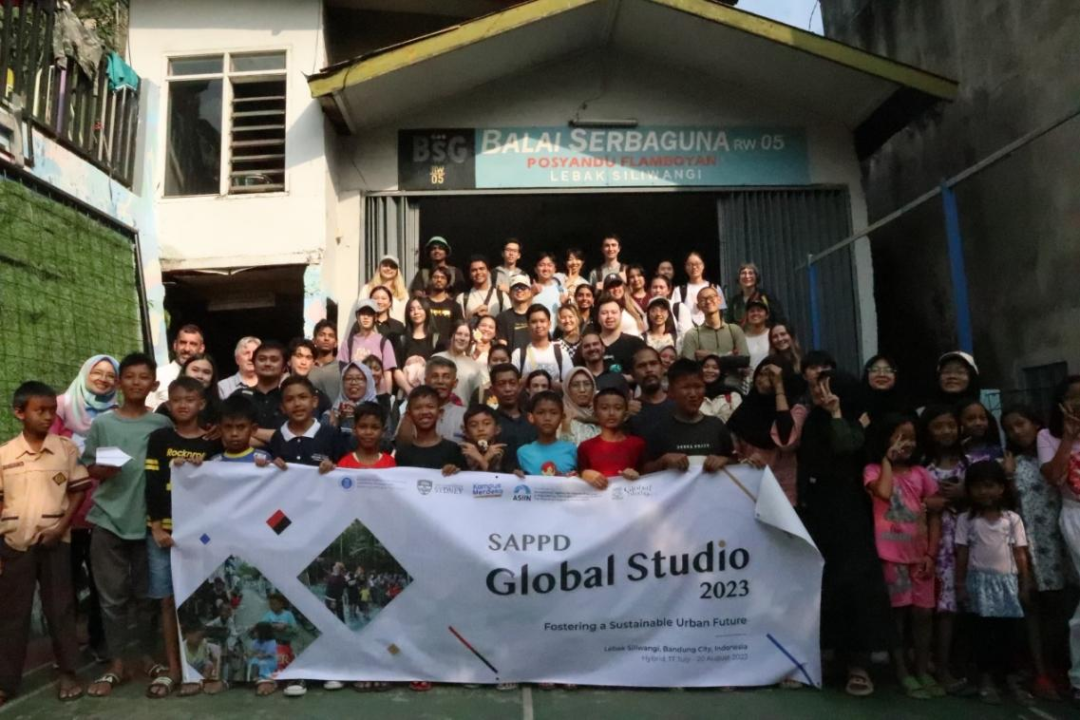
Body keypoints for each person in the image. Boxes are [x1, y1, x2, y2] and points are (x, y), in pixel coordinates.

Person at [82, 353, 173, 698]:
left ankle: (147, 656)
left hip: (150, 523)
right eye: (130, 377)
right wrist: (101, 471)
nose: (136, 383)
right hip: (108, 520)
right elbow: (89, 466)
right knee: (111, 598)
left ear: (154, 384)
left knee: (147, 596)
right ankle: (117, 662)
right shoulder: (103, 424)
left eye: (143, 377)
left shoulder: (162, 425)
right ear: (119, 383)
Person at [796, 371, 891, 697]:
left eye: (828, 387)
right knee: (821, 586)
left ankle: (858, 664)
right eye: (817, 387)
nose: (821, 393)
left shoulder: (860, 420)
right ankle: (821, 659)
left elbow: (846, 447)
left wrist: (837, 413)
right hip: (818, 514)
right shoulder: (812, 422)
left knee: (855, 587)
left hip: (852, 516)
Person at [0, 381, 90, 706]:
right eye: (40, 410)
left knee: (60, 608)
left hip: (56, 541)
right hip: (14, 543)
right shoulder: (4, 454)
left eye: (52, 410)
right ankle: (6, 682)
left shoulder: (65, 449)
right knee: (12, 613)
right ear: (19, 412)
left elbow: (78, 490)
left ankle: (68, 672)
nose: (48, 416)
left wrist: (61, 527)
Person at [144, 377, 221, 698]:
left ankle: (204, 669)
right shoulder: (160, 439)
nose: (183, 405)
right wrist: (156, 527)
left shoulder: (213, 442)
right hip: (164, 533)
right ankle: (174, 669)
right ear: (168, 404)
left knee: (200, 599)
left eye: (190, 399)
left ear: (201, 403)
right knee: (167, 600)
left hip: (201, 534)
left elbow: (222, 485)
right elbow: (152, 482)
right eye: (177, 400)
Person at [863, 413, 943, 700]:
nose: (906, 443)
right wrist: (887, 458)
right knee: (896, 615)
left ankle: (922, 669)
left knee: (923, 614)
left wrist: (931, 553)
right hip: (890, 556)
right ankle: (901, 672)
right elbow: (883, 492)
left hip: (920, 557)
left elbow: (935, 513)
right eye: (898, 437)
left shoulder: (921, 474)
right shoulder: (873, 470)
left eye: (911, 438)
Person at [51, 355, 118, 662]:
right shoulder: (60, 407)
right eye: (97, 372)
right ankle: (64, 649)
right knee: (62, 584)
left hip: (103, 511)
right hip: (64, 513)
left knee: (102, 583)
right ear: (85, 373)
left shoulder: (117, 412)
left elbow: (118, 458)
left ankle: (99, 641)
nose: (103, 379)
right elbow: (49, 454)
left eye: (110, 375)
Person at [1002, 405, 1070, 701]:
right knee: (1034, 608)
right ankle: (1041, 672)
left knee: (1064, 608)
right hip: (1028, 545)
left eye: (1021, 424)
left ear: (1036, 423)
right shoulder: (1012, 464)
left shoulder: (1056, 453)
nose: (1017, 432)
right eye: (1010, 429)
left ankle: (1065, 668)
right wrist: (1007, 477)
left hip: (1063, 539)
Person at [955, 461, 1032, 705]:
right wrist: (960, 585)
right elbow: (962, 553)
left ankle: (1010, 679)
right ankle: (985, 680)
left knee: (1008, 634)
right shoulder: (966, 520)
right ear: (969, 490)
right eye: (977, 487)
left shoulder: (1012, 519)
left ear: (1001, 488)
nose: (983, 492)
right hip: (979, 584)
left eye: (989, 486)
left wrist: (1024, 584)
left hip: (1007, 584)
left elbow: (1020, 553)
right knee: (982, 633)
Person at [1036, 375, 1080, 704]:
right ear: (1061, 403)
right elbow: (1053, 477)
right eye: (1074, 397)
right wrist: (1068, 436)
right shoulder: (1046, 436)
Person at [918, 405, 967, 695]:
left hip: (968, 539)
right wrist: (928, 503)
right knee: (939, 605)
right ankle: (936, 666)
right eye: (938, 426)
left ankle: (959, 664)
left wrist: (965, 492)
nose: (946, 431)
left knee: (960, 603)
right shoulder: (923, 466)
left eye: (950, 425)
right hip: (935, 541)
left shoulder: (970, 463)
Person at [727, 360, 805, 505]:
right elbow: (731, 447)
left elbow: (786, 441)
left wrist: (779, 389)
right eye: (761, 374)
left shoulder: (796, 410)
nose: (762, 380)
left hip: (782, 492)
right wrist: (744, 461)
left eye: (771, 377)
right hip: (749, 489)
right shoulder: (747, 408)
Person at [642, 359, 734, 475]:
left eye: (698, 387)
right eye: (686, 388)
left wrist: (724, 461)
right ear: (671, 391)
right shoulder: (659, 430)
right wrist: (663, 461)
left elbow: (736, 463)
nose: (693, 394)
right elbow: (643, 472)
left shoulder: (716, 426)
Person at [267, 377, 347, 471]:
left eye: (303, 397)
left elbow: (344, 470)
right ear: (282, 408)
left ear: (314, 402)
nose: (297, 404)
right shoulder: (277, 437)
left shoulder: (331, 435)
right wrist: (269, 464)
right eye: (289, 399)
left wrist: (333, 467)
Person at [577, 388, 645, 489]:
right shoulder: (585, 447)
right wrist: (584, 474)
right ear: (595, 414)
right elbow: (577, 480)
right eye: (604, 408)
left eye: (618, 408)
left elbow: (650, 477)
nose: (611, 413)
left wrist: (637, 476)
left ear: (626, 415)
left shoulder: (638, 444)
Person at [394, 386, 465, 474]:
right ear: (409, 415)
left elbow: (464, 478)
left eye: (430, 406)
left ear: (440, 413)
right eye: (418, 408)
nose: (424, 412)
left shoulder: (453, 450)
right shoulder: (403, 453)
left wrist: (454, 471)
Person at [396, 357, 466, 445]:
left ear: (455, 383)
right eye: (435, 376)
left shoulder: (464, 415)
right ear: (426, 381)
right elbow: (402, 445)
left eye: (446, 377)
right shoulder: (413, 410)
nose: (440, 381)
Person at [232, 340, 287, 447]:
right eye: (262, 359)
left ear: (284, 367)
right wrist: (276, 440)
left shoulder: (289, 398)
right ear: (254, 364)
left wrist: (249, 432)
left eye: (274, 360)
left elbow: (296, 435)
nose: (267, 363)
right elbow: (230, 435)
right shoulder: (239, 396)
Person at [488, 363, 536, 471]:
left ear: (519, 386)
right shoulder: (489, 423)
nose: (508, 389)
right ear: (492, 389)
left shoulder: (532, 420)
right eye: (501, 384)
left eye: (512, 383)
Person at [680, 286, 749, 361]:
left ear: (719, 300)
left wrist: (710, 355)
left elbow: (744, 360)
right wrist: (730, 355)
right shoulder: (693, 335)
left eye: (711, 297)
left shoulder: (734, 330)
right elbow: (689, 364)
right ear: (698, 306)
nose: (708, 301)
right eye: (703, 300)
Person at [517, 391, 578, 476]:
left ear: (562, 417)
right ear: (531, 417)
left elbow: (581, 478)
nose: (547, 418)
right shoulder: (523, 452)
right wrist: (516, 477)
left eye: (553, 413)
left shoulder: (572, 450)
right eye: (541, 412)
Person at [511, 305, 569, 390]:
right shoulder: (518, 354)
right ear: (528, 325)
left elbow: (570, 385)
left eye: (542, 321)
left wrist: (550, 384)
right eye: (534, 322)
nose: (538, 325)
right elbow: (511, 386)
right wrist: (525, 381)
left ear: (549, 324)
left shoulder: (561, 353)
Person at [147, 325, 205, 410]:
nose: (187, 349)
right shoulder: (157, 375)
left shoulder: (205, 379)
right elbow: (146, 410)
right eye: (182, 343)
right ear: (175, 345)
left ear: (201, 348)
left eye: (193, 344)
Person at [394, 297, 443, 396]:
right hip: (406, 394)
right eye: (412, 309)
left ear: (426, 310)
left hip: (431, 393)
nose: (416, 312)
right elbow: (396, 369)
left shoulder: (436, 339)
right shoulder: (402, 339)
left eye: (420, 308)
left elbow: (440, 368)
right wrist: (409, 390)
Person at [339, 299, 399, 377]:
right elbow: (344, 374)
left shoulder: (384, 343)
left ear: (375, 317)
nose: (366, 317)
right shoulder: (347, 344)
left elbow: (388, 374)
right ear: (357, 316)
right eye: (362, 314)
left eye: (369, 314)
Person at [627, 347, 674, 442]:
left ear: (662, 368)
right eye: (641, 366)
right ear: (633, 374)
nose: (649, 369)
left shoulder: (679, 406)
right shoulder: (629, 411)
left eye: (653, 364)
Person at [208, 396, 272, 465]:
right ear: (220, 430)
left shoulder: (263, 458)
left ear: (253, 429)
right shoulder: (214, 462)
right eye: (228, 427)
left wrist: (266, 467)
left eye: (241, 427)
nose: (234, 433)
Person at [434, 320, 486, 404]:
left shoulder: (474, 366)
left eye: (466, 335)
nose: (462, 338)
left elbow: (479, 398)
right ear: (452, 335)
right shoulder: (437, 359)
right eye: (459, 334)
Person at [596, 295, 647, 378]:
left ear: (621, 315)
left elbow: (646, 371)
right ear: (597, 317)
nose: (609, 316)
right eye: (604, 313)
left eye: (614, 312)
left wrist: (627, 379)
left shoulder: (636, 343)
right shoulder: (589, 345)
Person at [336, 402, 396, 470]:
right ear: (354, 430)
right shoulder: (344, 464)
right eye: (363, 427)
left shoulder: (389, 463)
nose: (368, 432)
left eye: (375, 427)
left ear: (383, 432)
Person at [725, 262, 785, 327]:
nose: (747, 276)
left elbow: (779, 319)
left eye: (750, 273)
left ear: (756, 277)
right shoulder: (734, 301)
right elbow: (728, 323)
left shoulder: (767, 297)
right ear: (738, 278)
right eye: (743, 273)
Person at [324, 362, 376, 435]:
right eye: (348, 378)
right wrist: (338, 420)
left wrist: (359, 413)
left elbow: (385, 438)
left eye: (359, 378)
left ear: (368, 383)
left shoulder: (379, 412)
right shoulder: (331, 414)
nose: (353, 383)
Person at [860, 354, 909, 429]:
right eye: (875, 370)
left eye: (888, 370)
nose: (882, 375)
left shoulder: (906, 409)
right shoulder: (856, 406)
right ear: (867, 375)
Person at [671, 252, 718, 327]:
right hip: (688, 330)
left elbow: (722, 311)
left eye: (697, 264)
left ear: (703, 265)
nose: (694, 267)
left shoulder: (714, 287)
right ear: (685, 267)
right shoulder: (679, 290)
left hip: (710, 328)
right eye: (690, 264)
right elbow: (675, 313)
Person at [461, 405, 512, 473]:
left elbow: (499, 478)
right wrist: (484, 458)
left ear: (497, 429)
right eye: (474, 425)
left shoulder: (504, 452)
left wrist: (481, 459)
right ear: (466, 432)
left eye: (486, 423)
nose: (480, 429)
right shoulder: (461, 453)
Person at [457, 255, 510, 320]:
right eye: (474, 270)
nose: (478, 272)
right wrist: (472, 314)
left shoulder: (501, 296)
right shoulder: (462, 298)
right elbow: (458, 323)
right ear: (470, 274)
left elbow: (509, 321)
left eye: (481, 269)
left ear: (488, 272)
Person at [360, 255, 408, 322]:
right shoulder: (367, 289)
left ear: (397, 271)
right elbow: (361, 311)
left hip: (397, 327)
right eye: (385, 265)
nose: (388, 268)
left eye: (392, 266)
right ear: (379, 268)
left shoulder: (403, 292)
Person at [559, 367, 600, 445]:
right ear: (567, 389)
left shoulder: (604, 414)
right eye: (575, 385)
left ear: (593, 387)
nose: (582, 390)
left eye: (587, 384)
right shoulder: (560, 416)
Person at [496, 274, 533, 353]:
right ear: (510, 293)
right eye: (516, 288)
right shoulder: (502, 317)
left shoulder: (536, 315)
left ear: (530, 292)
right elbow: (502, 346)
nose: (519, 290)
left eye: (523, 288)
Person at [958, 399, 1003, 464]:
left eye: (982, 418)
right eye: (971, 419)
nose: (978, 423)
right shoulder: (955, 452)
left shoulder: (997, 450)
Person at [425, 266, 464, 340]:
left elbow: (460, 328)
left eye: (443, 278)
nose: (439, 280)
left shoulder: (455, 306)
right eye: (435, 277)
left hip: (447, 345)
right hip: (426, 344)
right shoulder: (422, 304)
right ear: (430, 280)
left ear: (448, 282)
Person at [699, 355, 742, 422]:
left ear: (722, 371)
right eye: (706, 367)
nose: (710, 370)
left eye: (715, 368)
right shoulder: (693, 394)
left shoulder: (732, 395)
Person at [370, 286, 406, 350]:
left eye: (383, 298)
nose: (379, 301)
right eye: (376, 298)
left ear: (390, 303)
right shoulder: (362, 324)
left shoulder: (398, 326)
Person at [531, 252, 564, 319]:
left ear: (554, 269)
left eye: (549, 265)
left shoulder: (561, 290)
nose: (546, 269)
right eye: (542, 265)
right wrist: (531, 294)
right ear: (535, 269)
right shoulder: (528, 290)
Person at [742, 298, 773, 371]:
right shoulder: (741, 339)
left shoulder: (773, 335)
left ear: (767, 315)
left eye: (759, 310)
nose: (755, 313)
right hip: (748, 377)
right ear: (747, 316)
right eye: (752, 311)